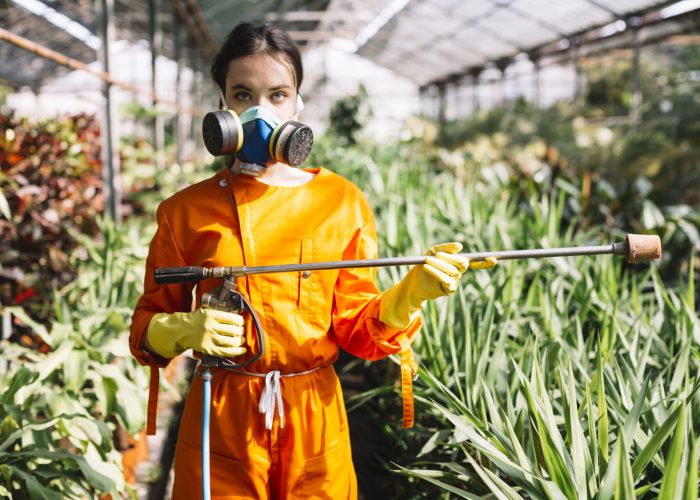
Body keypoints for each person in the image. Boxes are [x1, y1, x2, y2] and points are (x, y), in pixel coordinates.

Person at [129, 22, 496, 499]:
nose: (260, 112)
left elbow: (356, 333)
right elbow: (144, 330)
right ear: (222, 103)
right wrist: (180, 329)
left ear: (298, 103)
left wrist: (412, 292)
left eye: (278, 95)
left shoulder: (340, 201)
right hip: (221, 411)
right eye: (243, 94)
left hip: (313, 411)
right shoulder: (185, 211)